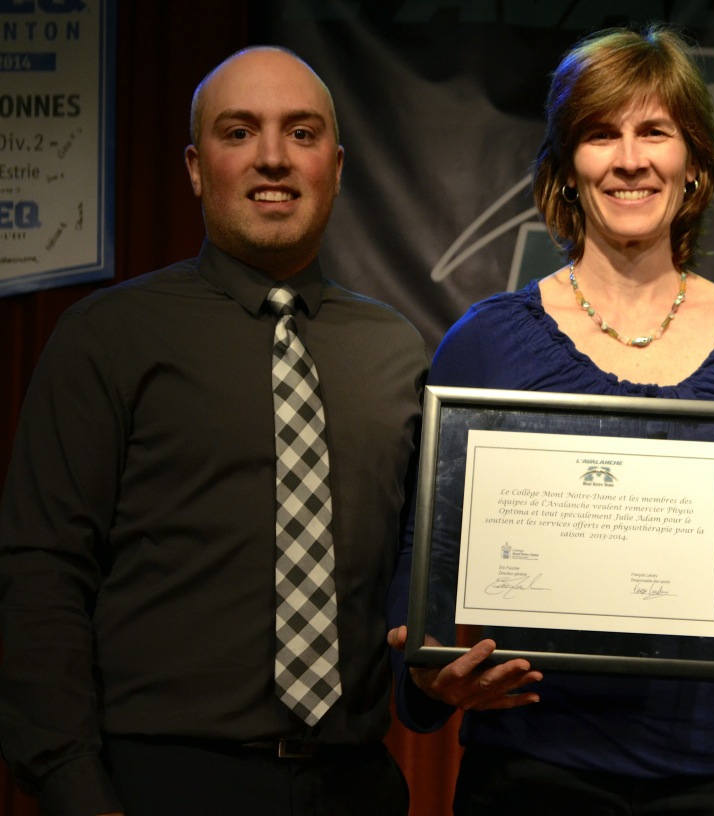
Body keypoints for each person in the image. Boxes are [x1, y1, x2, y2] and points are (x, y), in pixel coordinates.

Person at [0, 46, 534, 816]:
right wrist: (75, 790)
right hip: (160, 784)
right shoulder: (106, 336)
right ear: (195, 167)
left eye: (302, 133)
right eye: (239, 132)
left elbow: (414, 569)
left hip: (353, 785)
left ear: (337, 168)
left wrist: (429, 674)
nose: (274, 157)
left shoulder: (395, 350)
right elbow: (43, 571)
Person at [386, 25, 714, 815]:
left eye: (655, 131)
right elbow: (424, 564)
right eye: (601, 134)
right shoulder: (486, 344)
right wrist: (424, 677)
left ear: (694, 164)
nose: (630, 159)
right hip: (536, 762)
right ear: (566, 169)